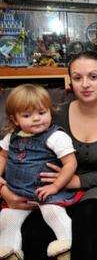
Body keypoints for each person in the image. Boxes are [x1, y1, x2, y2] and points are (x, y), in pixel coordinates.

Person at [0, 51, 97, 260]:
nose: (85, 84)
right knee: (34, 231)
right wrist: (6, 190)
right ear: (70, 82)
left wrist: (76, 181)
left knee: (87, 216)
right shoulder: (52, 115)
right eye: (77, 78)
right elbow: (14, 150)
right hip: (55, 192)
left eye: (93, 77)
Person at [0, 84, 80, 259]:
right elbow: (3, 157)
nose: (36, 119)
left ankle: (66, 245)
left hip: (47, 193)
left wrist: (55, 186)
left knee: (52, 212)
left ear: (50, 112)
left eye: (42, 113)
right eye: (27, 115)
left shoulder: (56, 137)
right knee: (6, 218)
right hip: (17, 193)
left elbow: (70, 163)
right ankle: (10, 251)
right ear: (15, 119)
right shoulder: (10, 138)